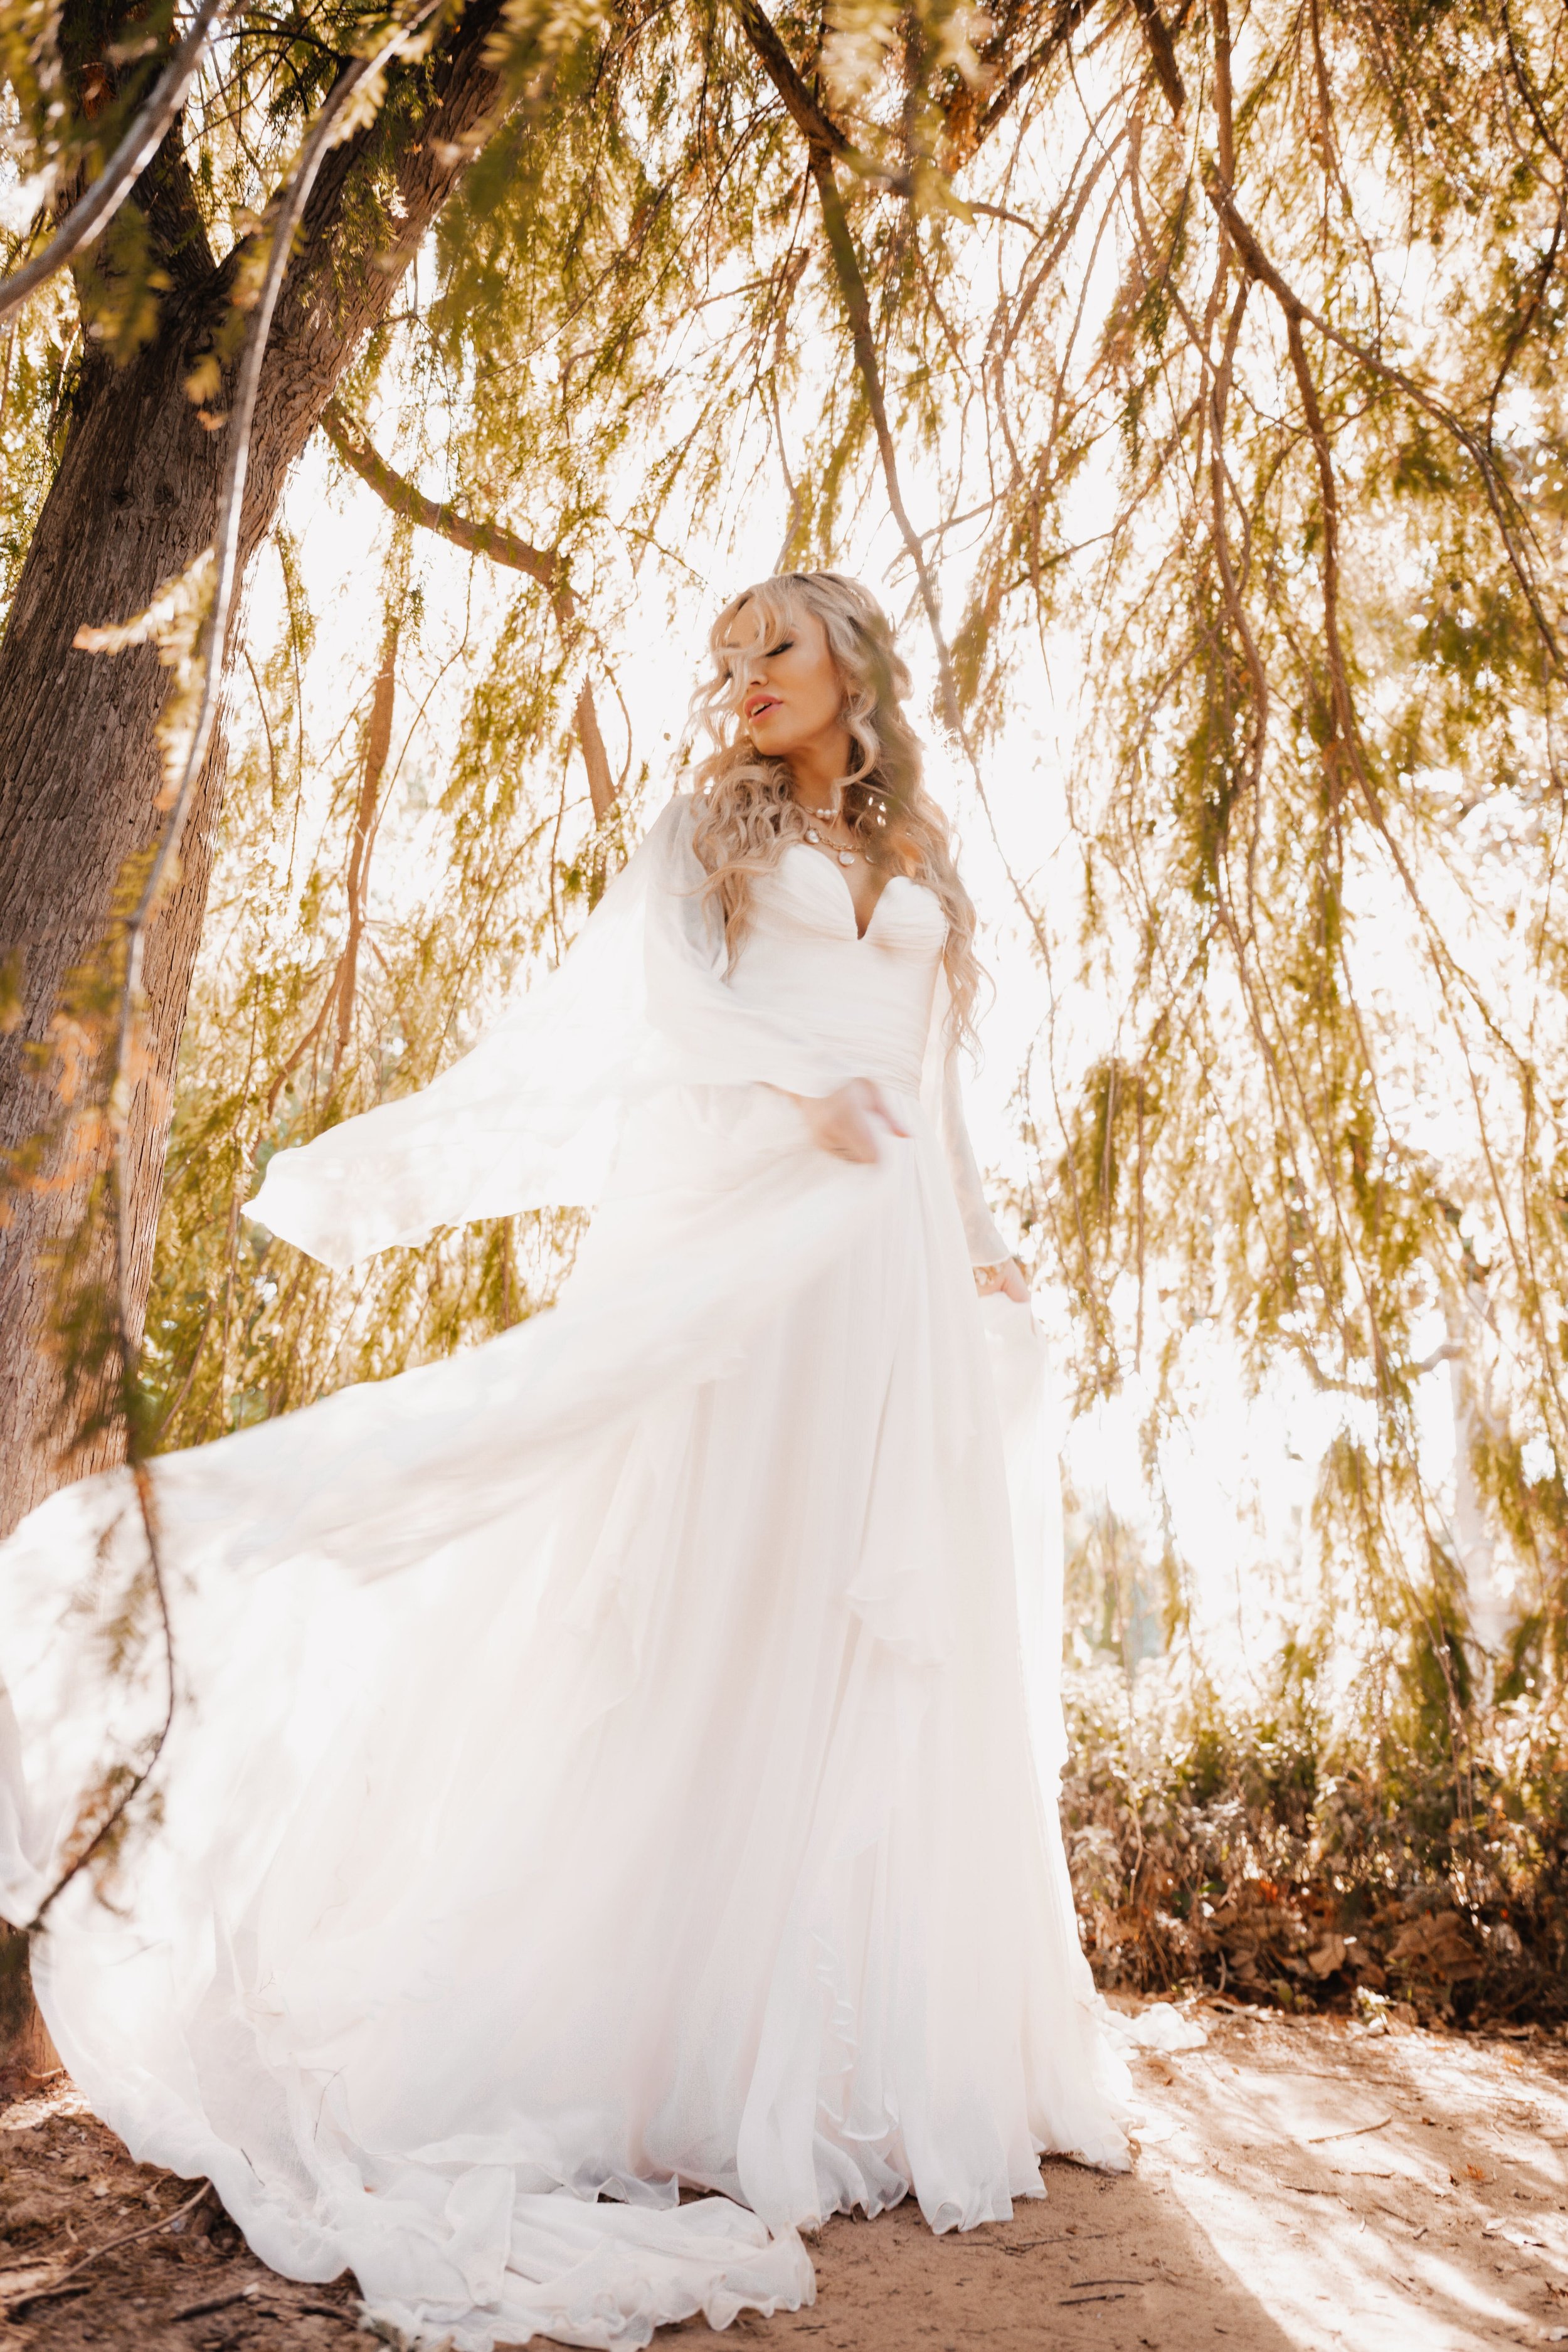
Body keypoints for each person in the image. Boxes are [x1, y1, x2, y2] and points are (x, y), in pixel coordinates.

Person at [0, 572, 1131, 2351]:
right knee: (704, 1580)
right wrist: (796, 1103)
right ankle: (647, 2041)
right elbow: (670, 1013)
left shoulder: (916, 838)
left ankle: (856, 2039)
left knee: (870, 1608)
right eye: (726, 654)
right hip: (747, 1225)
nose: (744, 677)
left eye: (777, 645)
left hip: (886, 1253)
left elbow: (938, 1067)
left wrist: (971, 1223)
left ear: (852, 659)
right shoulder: (703, 829)